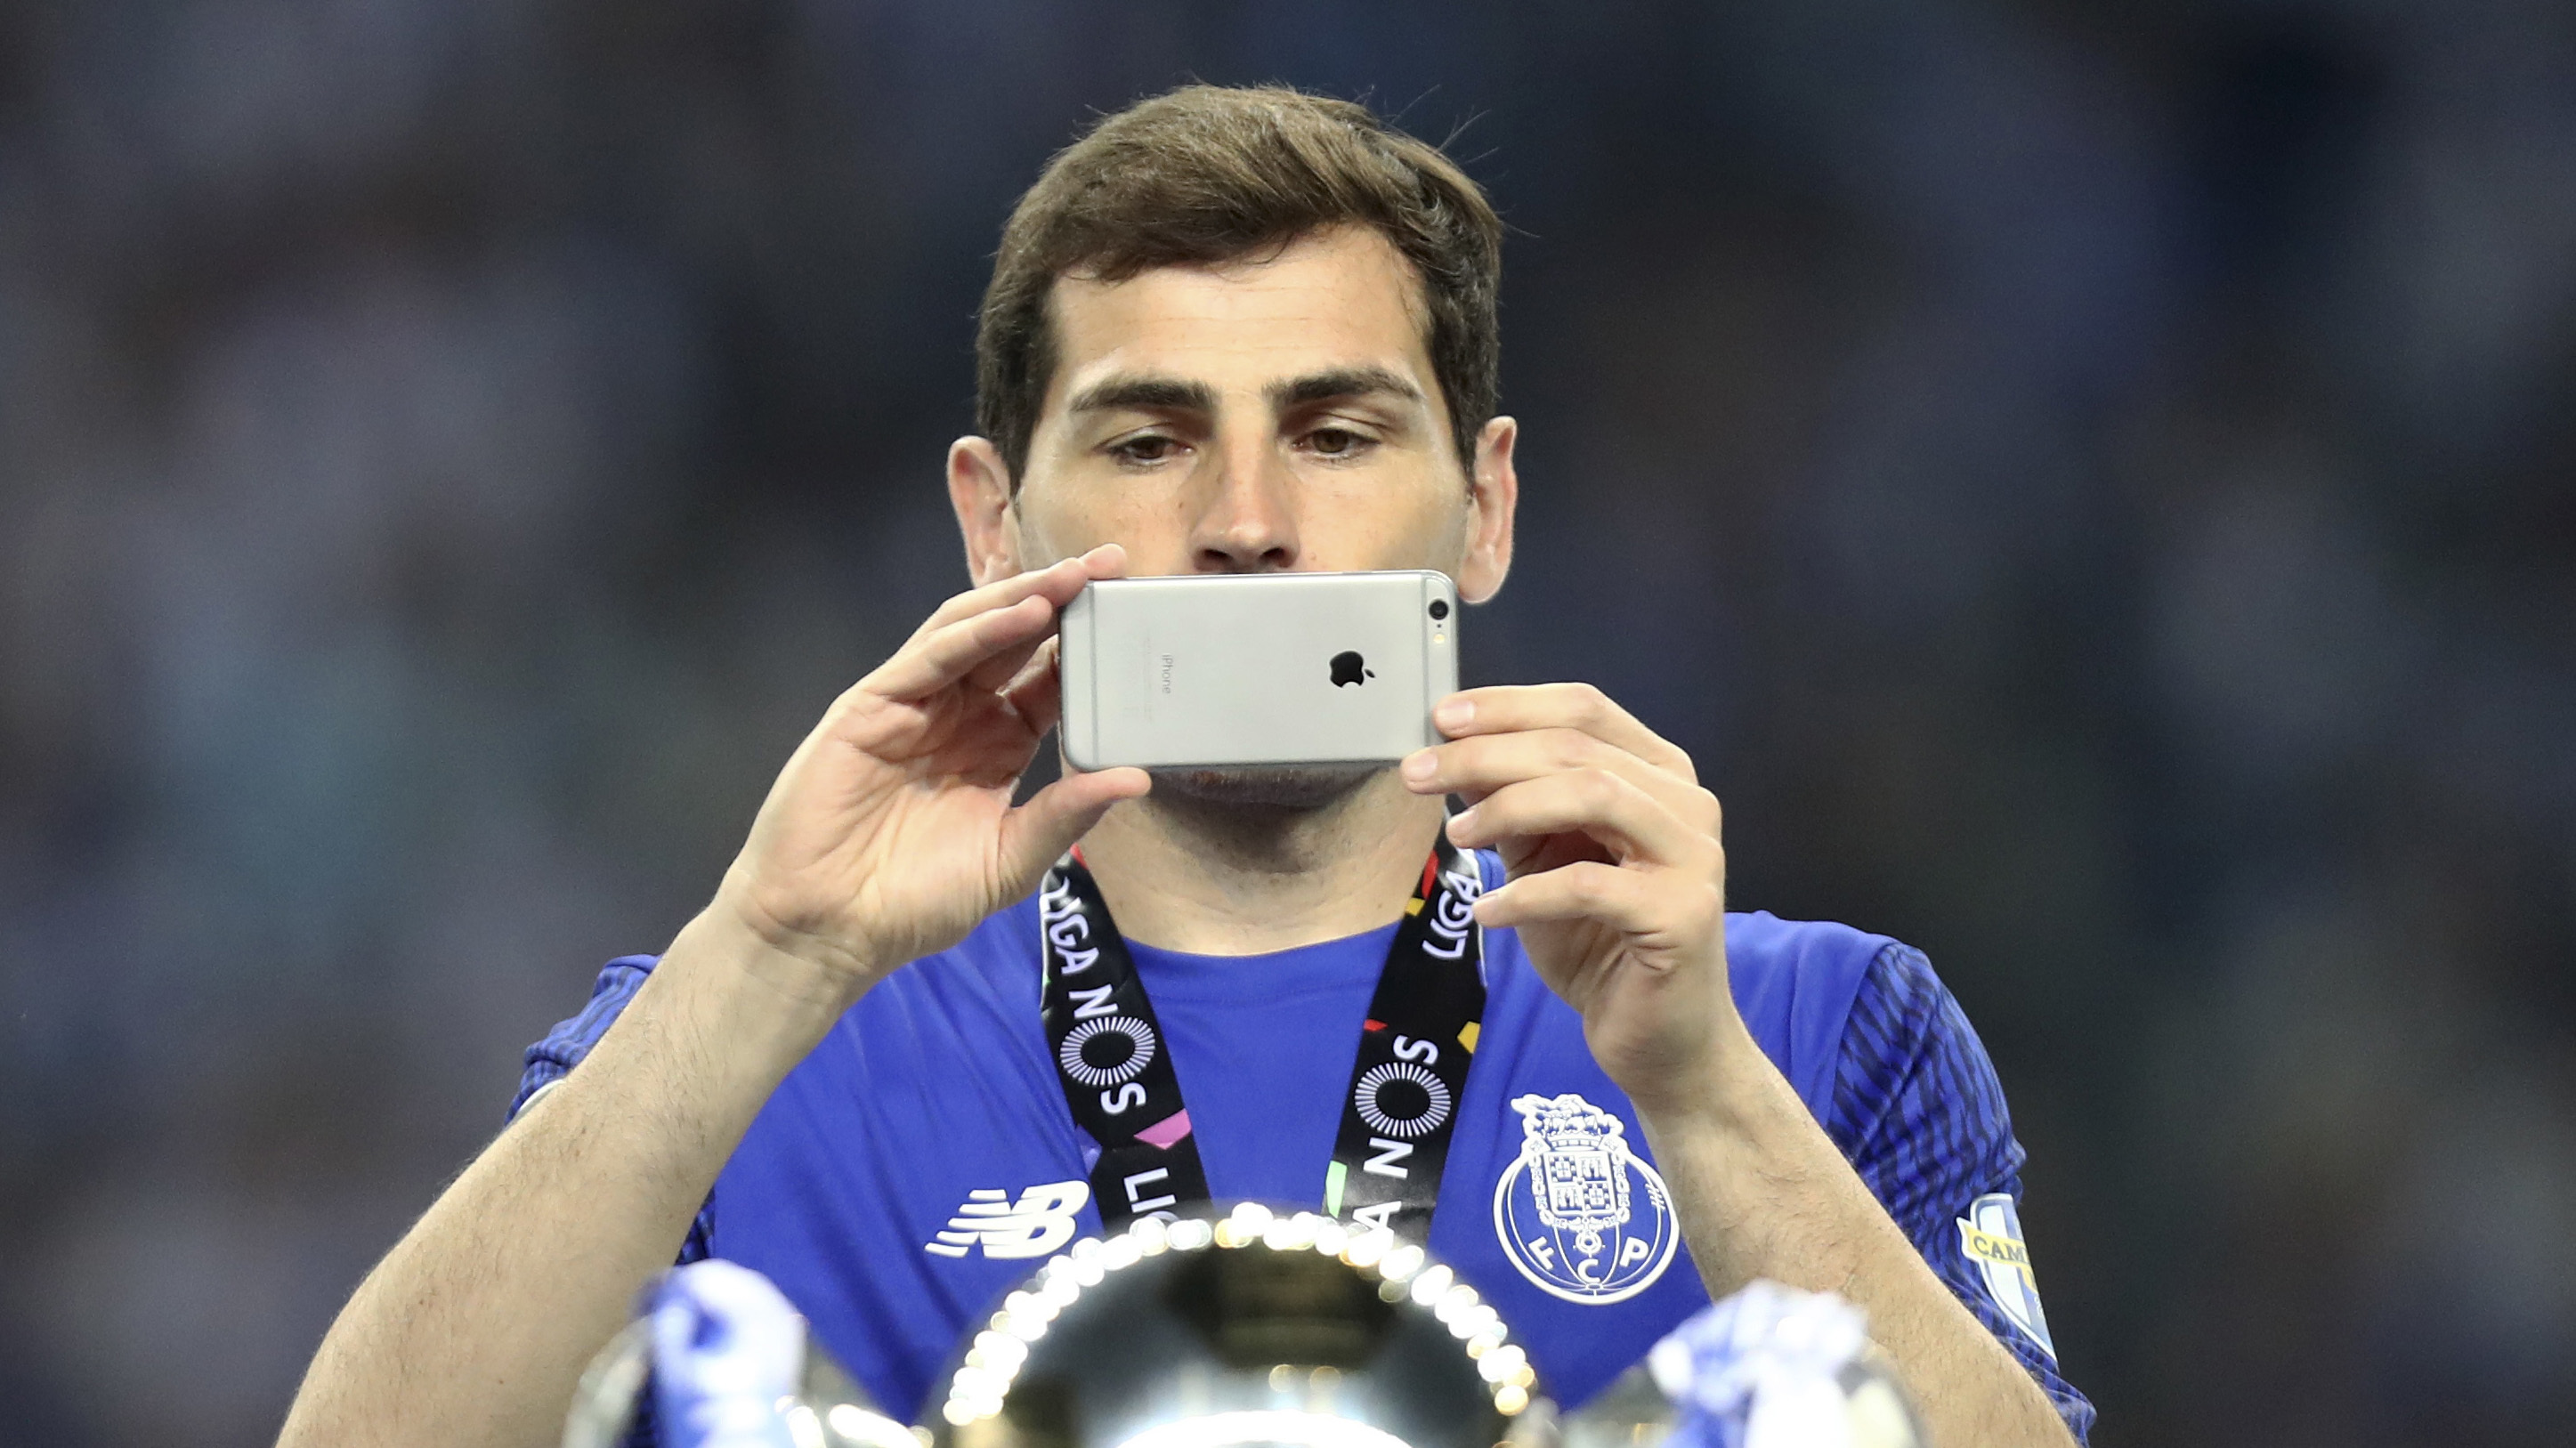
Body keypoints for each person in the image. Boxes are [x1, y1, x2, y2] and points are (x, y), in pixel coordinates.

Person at [277, 85, 2093, 1448]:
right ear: (993, 523)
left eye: (1336, 431)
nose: (1243, 520)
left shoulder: (1809, 1028)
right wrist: (766, 948)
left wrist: (1701, 1095)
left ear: (1484, 508)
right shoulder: (742, 1038)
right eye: (1148, 440)